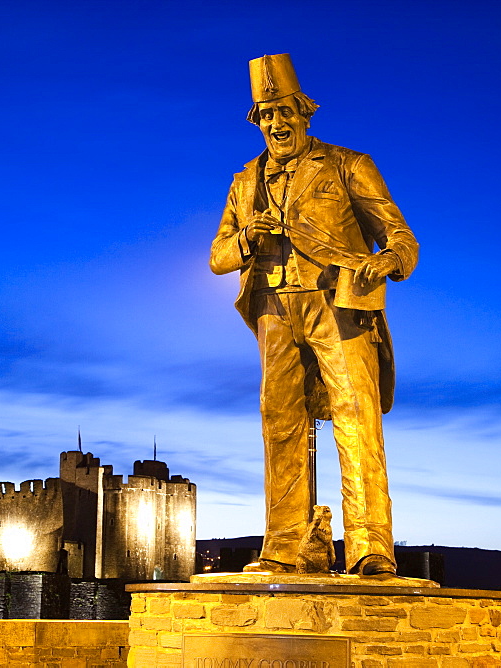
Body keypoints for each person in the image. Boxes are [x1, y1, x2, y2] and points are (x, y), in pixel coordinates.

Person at [209, 54, 419, 576]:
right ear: (257, 120)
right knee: (280, 426)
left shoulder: (349, 165)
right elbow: (217, 257)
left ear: (304, 114)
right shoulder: (245, 182)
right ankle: (282, 548)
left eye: (285, 112)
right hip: (274, 310)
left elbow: (401, 237)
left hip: (337, 302)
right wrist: (245, 238)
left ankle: (372, 549)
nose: (277, 124)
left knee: (356, 421)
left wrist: (387, 262)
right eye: (266, 114)